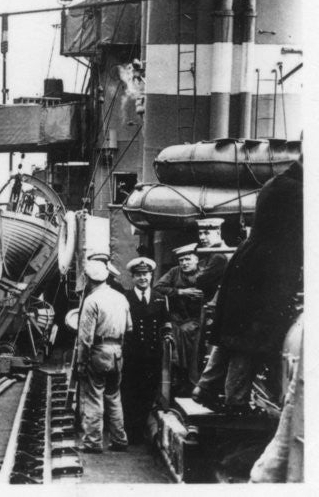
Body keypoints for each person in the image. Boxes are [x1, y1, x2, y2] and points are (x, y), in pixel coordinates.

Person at [193, 162, 303, 413]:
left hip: (249, 262)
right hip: (269, 269)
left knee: (232, 332)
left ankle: (205, 387)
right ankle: (236, 400)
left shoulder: (277, 182)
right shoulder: (297, 190)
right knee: (251, 337)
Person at [77, 258, 132, 453]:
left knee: (94, 397)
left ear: (87, 278)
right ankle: (119, 439)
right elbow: (129, 328)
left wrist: (81, 362)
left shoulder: (91, 301)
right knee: (114, 396)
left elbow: (85, 337)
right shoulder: (121, 298)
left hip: (98, 354)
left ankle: (93, 441)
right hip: (117, 353)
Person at [121, 257, 168, 444]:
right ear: (132, 278)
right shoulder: (126, 298)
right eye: (138, 275)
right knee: (131, 392)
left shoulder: (159, 298)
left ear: (151, 275)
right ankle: (132, 433)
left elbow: (165, 322)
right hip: (133, 355)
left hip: (153, 354)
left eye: (146, 274)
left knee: (149, 392)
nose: (142, 278)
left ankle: (144, 431)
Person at [153, 243, 205, 393]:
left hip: (197, 319)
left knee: (189, 334)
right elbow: (158, 288)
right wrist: (180, 292)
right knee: (173, 334)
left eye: (188, 259)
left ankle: (190, 379)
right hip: (176, 318)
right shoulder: (174, 272)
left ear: (196, 260)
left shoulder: (204, 273)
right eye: (181, 260)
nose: (184, 263)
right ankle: (177, 376)